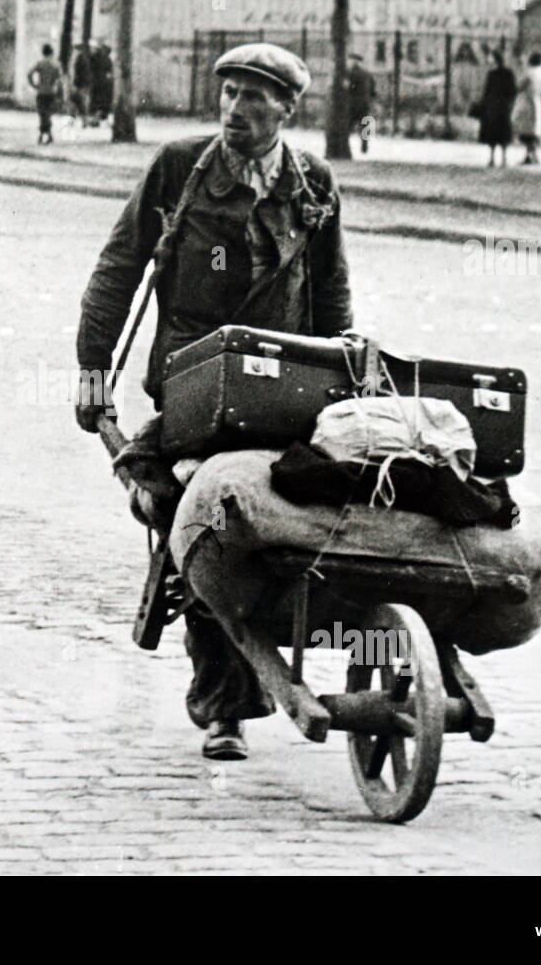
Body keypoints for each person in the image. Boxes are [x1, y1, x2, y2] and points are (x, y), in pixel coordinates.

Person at [75, 43, 352, 761]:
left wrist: (343, 385)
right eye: (228, 94)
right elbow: (118, 266)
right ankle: (225, 706)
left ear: (287, 110)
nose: (235, 110)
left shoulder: (313, 185)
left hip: (283, 386)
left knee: (312, 505)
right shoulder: (179, 169)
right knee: (201, 517)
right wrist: (92, 366)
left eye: (254, 99)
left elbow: (332, 294)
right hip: (193, 386)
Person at [476, 49, 518, 167]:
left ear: (494, 59)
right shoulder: (507, 73)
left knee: (493, 132)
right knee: (503, 132)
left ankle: (492, 158)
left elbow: (487, 91)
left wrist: (484, 103)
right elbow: (513, 90)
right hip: (503, 106)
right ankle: (503, 158)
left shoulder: (492, 74)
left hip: (493, 106)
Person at [515, 51, 541, 165]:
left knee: (525, 130)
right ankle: (530, 155)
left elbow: (519, 86)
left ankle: (531, 155)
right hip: (538, 101)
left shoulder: (529, 72)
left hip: (527, 102)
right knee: (534, 129)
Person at [27, 43, 63, 144]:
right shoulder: (55, 64)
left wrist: (34, 85)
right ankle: (48, 134)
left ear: (43, 52)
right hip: (51, 92)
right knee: (48, 114)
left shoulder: (40, 63)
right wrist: (56, 87)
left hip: (41, 91)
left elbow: (29, 73)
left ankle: (43, 135)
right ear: (51, 53)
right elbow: (59, 79)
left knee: (42, 114)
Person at [347, 53, 377, 154]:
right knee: (364, 125)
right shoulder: (367, 74)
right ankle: (364, 145)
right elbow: (373, 91)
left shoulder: (350, 73)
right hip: (365, 104)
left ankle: (345, 144)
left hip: (352, 104)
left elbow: (348, 88)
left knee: (347, 125)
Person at [71, 42, 94, 126]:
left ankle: (83, 121)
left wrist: (75, 84)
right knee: (79, 102)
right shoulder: (83, 58)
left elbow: (78, 73)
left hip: (80, 84)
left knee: (80, 102)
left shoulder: (79, 59)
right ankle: (80, 121)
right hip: (83, 84)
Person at [90, 41, 115, 122]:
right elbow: (110, 72)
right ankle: (102, 117)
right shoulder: (108, 59)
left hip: (96, 82)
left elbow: (91, 69)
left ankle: (96, 119)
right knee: (103, 102)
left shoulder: (95, 57)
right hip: (105, 83)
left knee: (97, 101)